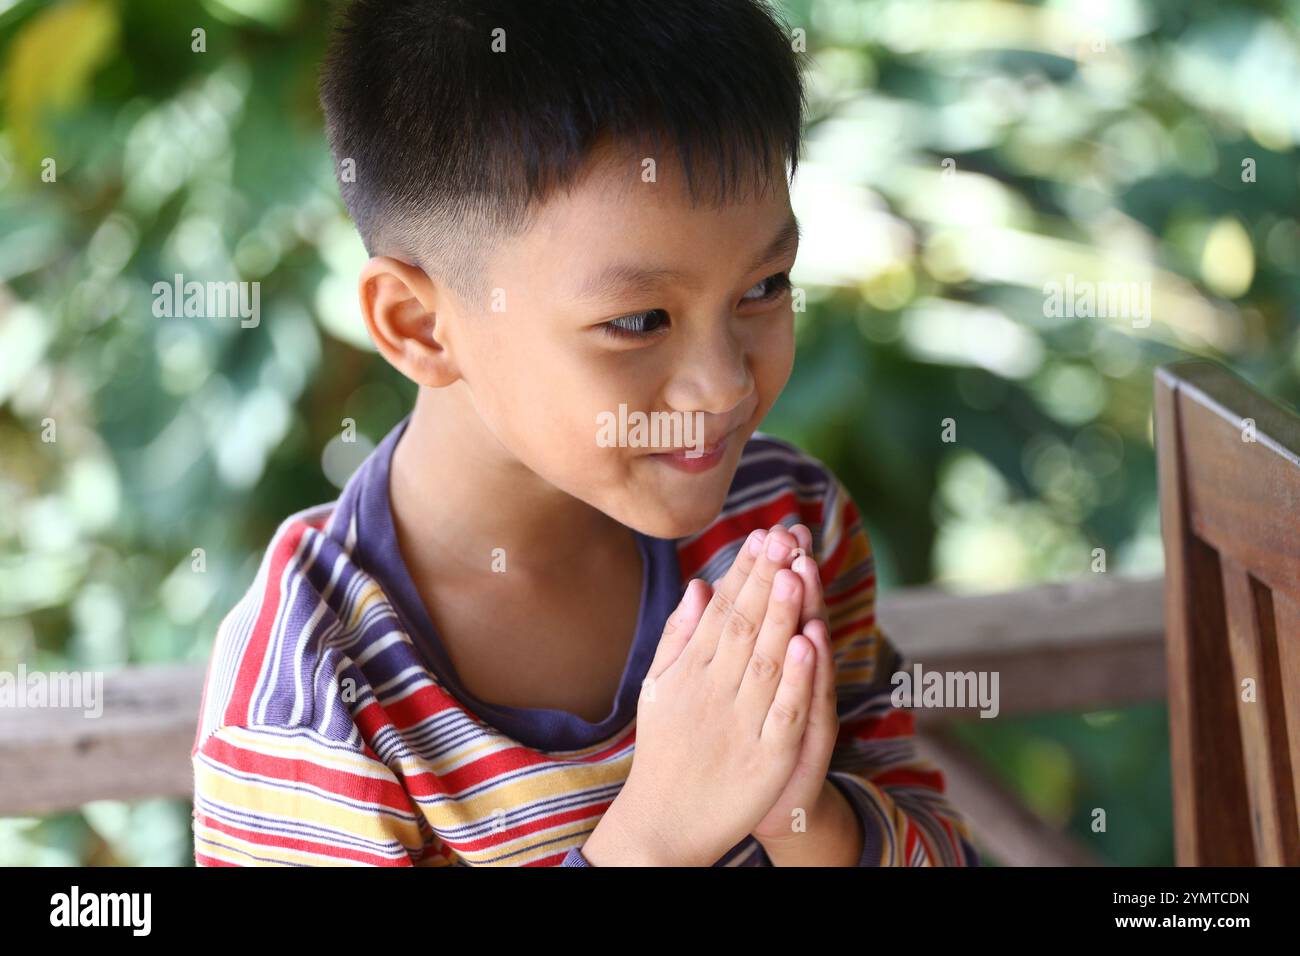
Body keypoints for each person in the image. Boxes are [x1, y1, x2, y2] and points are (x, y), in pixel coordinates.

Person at [191, 0, 979, 867]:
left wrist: (804, 811)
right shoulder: (314, 693)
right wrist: (658, 836)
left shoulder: (781, 524)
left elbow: (934, 839)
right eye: (641, 319)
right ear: (419, 325)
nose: (723, 383)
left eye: (764, 286)